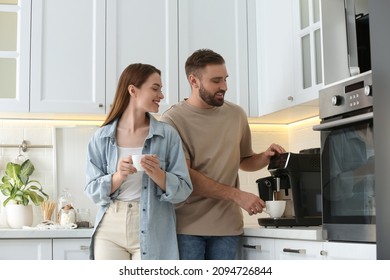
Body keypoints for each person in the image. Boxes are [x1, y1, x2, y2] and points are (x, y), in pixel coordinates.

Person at [160, 49, 286, 260]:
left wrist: (264, 156)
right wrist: (238, 195)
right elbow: (186, 175)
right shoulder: (173, 120)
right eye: (216, 81)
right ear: (194, 81)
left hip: (228, 228)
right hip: (187, 228)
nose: (224, 87)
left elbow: (243, 160)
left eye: (225, 79)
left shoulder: (236, 114)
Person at [85, 63, 193, 260]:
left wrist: (158, 174)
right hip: (110, 228)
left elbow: (184, 190)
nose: (161, 95)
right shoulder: (101, 137)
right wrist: (118, 176)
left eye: (161, 89)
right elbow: (92, 191)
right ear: (133, 90)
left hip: (154, 228)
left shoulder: (167, 135)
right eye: (155, 88)